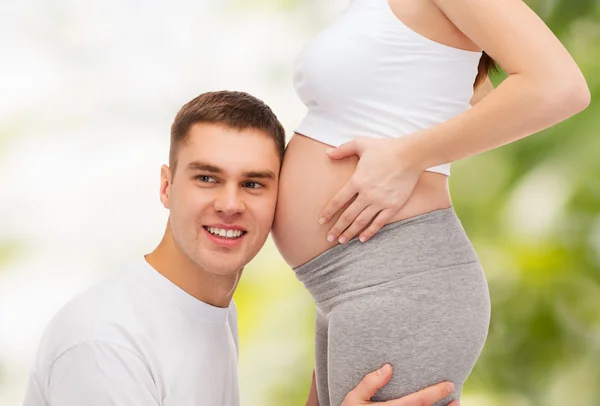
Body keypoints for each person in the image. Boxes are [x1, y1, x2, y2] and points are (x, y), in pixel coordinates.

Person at [23, 91, 460, 406]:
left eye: (253, 184)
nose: (230, 205)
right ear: (166, 187)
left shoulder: (208, 310)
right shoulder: (105, 341)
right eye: (207, 178)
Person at [271, 0, 591, 405]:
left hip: (399, 278)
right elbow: (462, 96)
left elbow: (560, 86)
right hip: (345, 282)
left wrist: (408, 156)